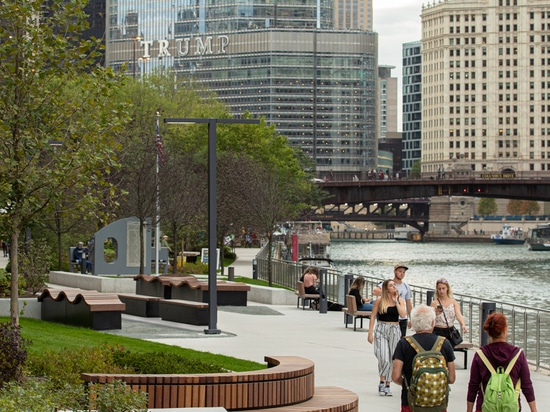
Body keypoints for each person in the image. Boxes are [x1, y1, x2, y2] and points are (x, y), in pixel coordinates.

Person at [467, 312, 537, 412]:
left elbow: (473, 386)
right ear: (505, 329)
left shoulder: (480, 355)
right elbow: (527, 386)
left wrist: (469, 410)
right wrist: (534, 410)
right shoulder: (518, 354)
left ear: (488, 331)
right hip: (510, 407)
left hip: (485, 407)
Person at [392, 304, 456, 412]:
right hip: (438, 404)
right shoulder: (444, 343)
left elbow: (395, 376)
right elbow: (451, 378)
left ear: (413, 323)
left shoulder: (404, 344)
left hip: (411, 403)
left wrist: (409, 384)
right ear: (432, 323)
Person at [368, 279, 407, 397]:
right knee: (383, 357)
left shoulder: (399, 300)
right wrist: (370, 332)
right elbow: (373, 316)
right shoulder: (379, 301)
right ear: (386, 289)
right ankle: (381, 381)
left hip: (394, 329)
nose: (394, 287)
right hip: (381, 328)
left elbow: (403, 315)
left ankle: (388, 384)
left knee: (392, 358)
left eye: (394, 285)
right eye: (391, 285)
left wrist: (396, 302)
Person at [373, 263, 413, 337]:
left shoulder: (406, 286)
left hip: (402, 318)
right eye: (400, 271)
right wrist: (388, 293)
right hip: (390, 317)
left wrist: (411, 318)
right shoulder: (389, 284)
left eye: (403, 272)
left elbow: (408, 303)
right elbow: (375, 291)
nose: (402, 274)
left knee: (401, 341)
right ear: (395, 271)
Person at [430, 278, 467, 343]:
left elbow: (458, 314)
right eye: (439, 289)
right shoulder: (434, 303)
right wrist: (436, 313)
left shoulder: (453, 302)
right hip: (438, 330)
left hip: (450, 330)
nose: (441, 291)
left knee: (449, 350)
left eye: (443, 288)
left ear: (447, 288)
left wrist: (463, 324)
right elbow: (429, 318)